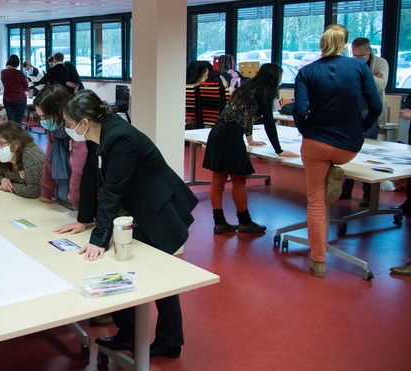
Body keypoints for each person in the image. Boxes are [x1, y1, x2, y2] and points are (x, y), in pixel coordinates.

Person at [55, 89, 198, 358]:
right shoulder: (98, 132)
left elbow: (113, 190)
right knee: (124, 265)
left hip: (158, 209)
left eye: (69, 123)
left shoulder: (120, 137)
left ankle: (169, 342)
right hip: (136, 208)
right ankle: (129, 333)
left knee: (160, 275)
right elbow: (89, 175)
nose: (67, 128)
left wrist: (97, 240)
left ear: (84, 122)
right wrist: (84, 220)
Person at [293, 24, 381, 278]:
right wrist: (360, 128)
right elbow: (375, 105)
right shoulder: (359, 67)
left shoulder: (307, 72)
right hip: (348, 146)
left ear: (321, 44)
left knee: (315, 200)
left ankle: (318, 262)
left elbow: (299, 111)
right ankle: (335, 174)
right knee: (334, 165)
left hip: (316, 144)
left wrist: (306, 131)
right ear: (344, 45)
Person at [202, 63, 299, 234]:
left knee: (218, 180)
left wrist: (250, 139)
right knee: (239, 181)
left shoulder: (246, 88)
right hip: (231, 136)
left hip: (217, 131)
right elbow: (269, 121)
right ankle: (245, 222)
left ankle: (220, 223)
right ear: (274, 78)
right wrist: (278, 149)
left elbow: (242, 113)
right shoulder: (266, 91)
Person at [340, 37, 390, 207]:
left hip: (370, 111)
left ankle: (368, 194)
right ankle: (345, 190)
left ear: (370, 51)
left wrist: (364, 72)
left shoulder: (381, 63)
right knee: (348, 151)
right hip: (352, 111)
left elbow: (381, 85)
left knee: (368, 153)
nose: (358, 59)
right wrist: (368, 76)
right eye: (355, 56)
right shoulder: (350, 63)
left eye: (362, 56)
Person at [34, 84, 87, 211]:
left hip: (85, 199)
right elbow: (50, 160)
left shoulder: (77, 130)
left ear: (59, 111)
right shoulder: (55, 129)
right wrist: (46, 193)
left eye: (46, 116)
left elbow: (78, 169)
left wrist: (78, 206)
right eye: (40, 116)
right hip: (64, 199)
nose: (43, 121)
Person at [0, 121, 44, 198]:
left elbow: (34, 191)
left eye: (1, 144)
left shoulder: (31, 155)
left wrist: (10, 187)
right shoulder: (6, 158)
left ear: (16, 143)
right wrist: (3, 179)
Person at [1, 54, 29, 125]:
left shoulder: (3, 72)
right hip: (19, 99)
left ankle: (11, 135)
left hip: (7, 99)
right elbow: (26, 85)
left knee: (11, 121)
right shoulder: (19, 73)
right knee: (18, 121)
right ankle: (17, 135)